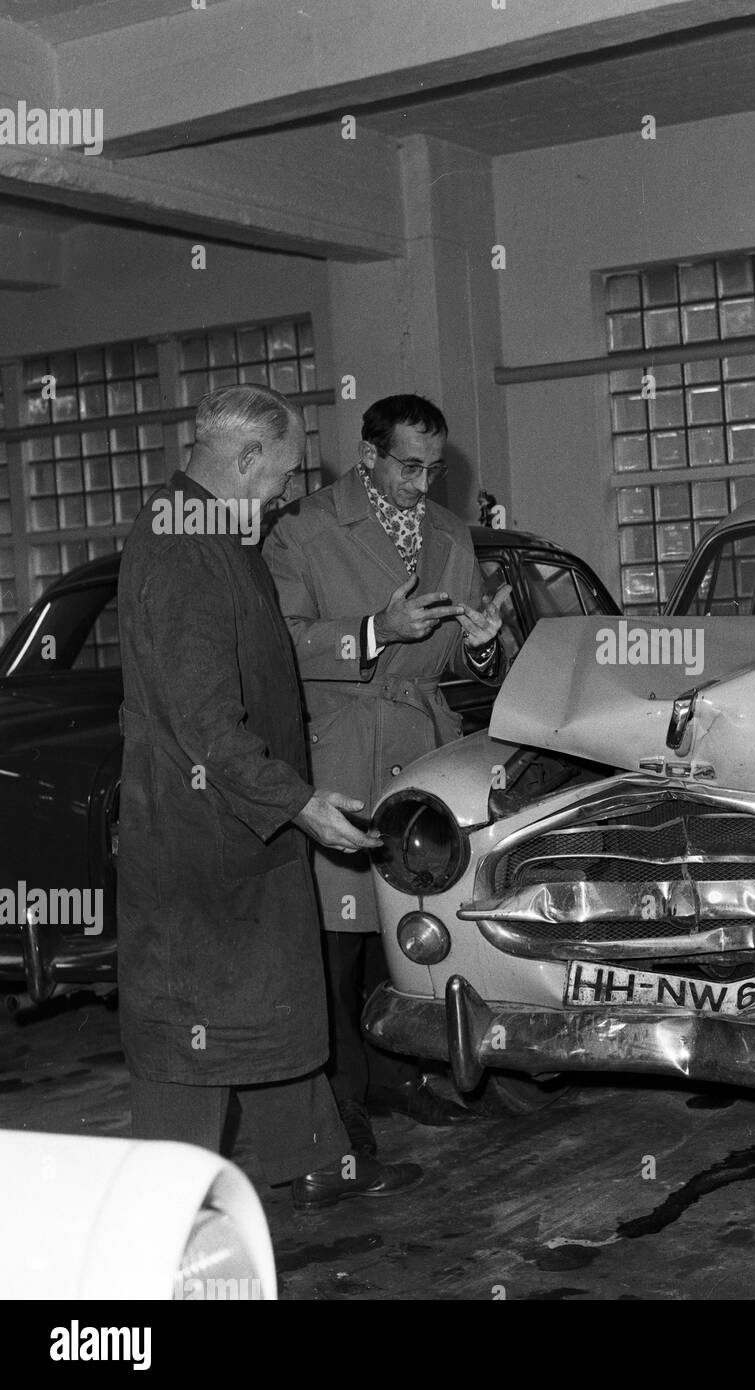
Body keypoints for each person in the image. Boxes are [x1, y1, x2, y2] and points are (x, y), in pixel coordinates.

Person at [116, 383, 422, 1212]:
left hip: (236, 829)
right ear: (245, 458)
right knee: (196, 1025)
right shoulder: (183, 548)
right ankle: (159, 1209)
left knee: (273, 1003)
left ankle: (318, 1161)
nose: (288, 494)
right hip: (202, 840)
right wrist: (296, 801)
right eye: (282, 475)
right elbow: (204, 719)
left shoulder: (212, 530)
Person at [264, 393, 508, 1156]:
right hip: (341, 745)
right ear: (367, 454)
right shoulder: (302, 530)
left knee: (404, 929)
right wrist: (375, 631)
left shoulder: (447, 533)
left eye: (434, 470)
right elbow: (280, 643)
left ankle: (399, 1076)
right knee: (339, 939)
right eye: (408, 465)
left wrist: (479, 642)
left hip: (423, 750)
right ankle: (338, 1100)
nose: (422, 485)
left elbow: (460, 660)